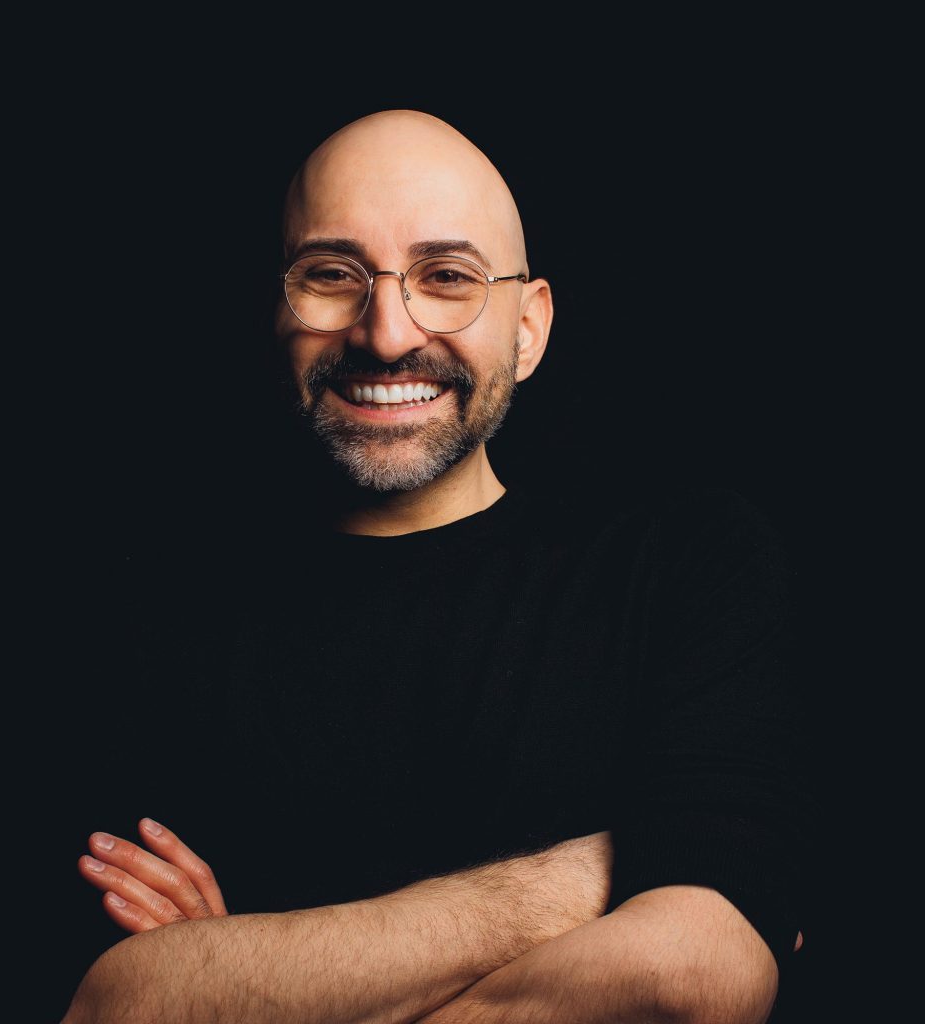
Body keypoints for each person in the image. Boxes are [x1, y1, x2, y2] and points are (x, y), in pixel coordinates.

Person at [61, 109, 807, 1023]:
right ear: (274, 306)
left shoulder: (684, 566)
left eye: (446, 277)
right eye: (331, 276)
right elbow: (120, 1004)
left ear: (529, 329)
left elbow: (699, 973)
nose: (385, 333)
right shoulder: (139, 608)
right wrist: (590, 876)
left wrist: (245, 980)